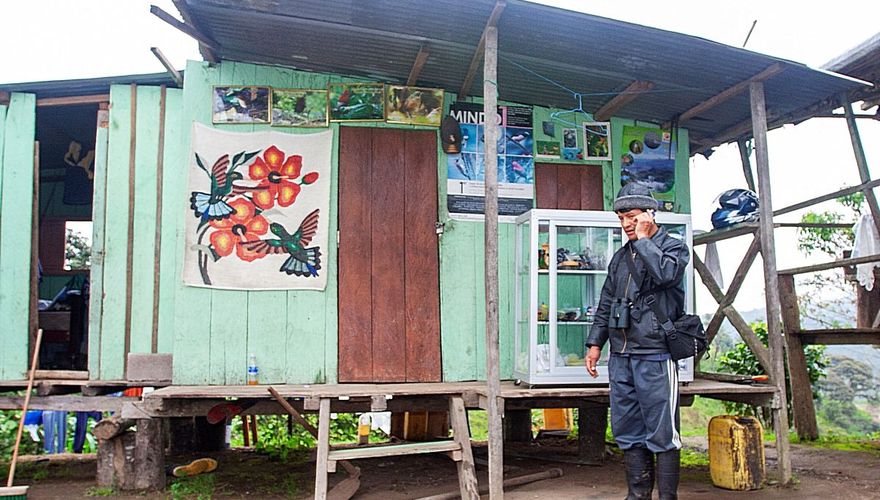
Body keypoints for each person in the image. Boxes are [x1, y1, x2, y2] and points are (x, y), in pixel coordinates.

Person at [584, 182, 690, 500]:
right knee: (628, 429)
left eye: (631, 217)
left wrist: (645, 240)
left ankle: (667, 497)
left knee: (662, 431)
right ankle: (638, 495)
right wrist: (594, 343)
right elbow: (606, 303)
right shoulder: (619, 259)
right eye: (621, 218)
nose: (626, 224)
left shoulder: (674, 248)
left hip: (656, 354)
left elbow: (666, 275)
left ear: (648, 215)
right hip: (622, 356)